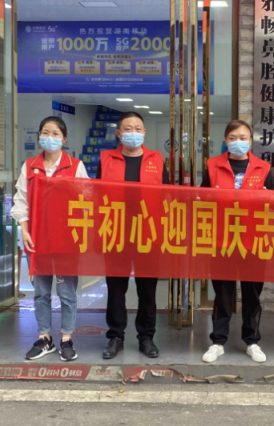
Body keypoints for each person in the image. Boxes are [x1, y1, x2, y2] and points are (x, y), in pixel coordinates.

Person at [11, 117, 89, 362]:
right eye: (45, 132)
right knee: (41, 292)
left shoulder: (75, 166)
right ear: (39, 136)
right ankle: (45, 338)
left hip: (66, 241)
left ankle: (66, 338)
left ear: (64, 139)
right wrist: (24, 231)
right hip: (37, 239)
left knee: (67, 293)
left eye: (55, 133)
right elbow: (21, 201)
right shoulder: (29, 166)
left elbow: (87, 199)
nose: (50, 137)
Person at [200, 120, 274, 364]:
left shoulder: (263, 167)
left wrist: (267, 197)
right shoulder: (213, 166)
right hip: (221, 240)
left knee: (252, 294)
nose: (238, 141)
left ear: (251, 141)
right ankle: (218, 341)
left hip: (253, 241)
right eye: (232, 137)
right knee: (223, 294)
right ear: (226, 140)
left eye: (243, 137)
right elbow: (201, 198)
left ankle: (252, 341)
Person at [99, 111, 169, 360]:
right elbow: (97, 195)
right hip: (116, 231)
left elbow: (167, 196)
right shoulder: (106, 159)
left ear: (144, 132)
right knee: (116, 288)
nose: (133, 133)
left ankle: (146, 336)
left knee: (147, 289)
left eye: (138, 129)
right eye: (128, 129)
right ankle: (115, 336)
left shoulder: (157, 159)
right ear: (119, 133)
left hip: (148, 233)